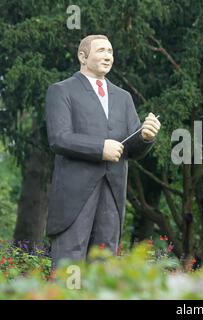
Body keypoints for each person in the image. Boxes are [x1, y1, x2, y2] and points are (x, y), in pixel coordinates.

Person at [45, 35, 161, 266]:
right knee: (71, 257)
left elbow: (131, 149)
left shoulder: (123, 97)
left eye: (110, 51)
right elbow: (59, 138)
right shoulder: (61, 91)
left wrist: (146, 137)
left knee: (104, 258)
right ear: (82, 56)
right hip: (75, 193)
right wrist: (100, 148)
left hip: (113, 189)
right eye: (101, 51)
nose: (108, 56)